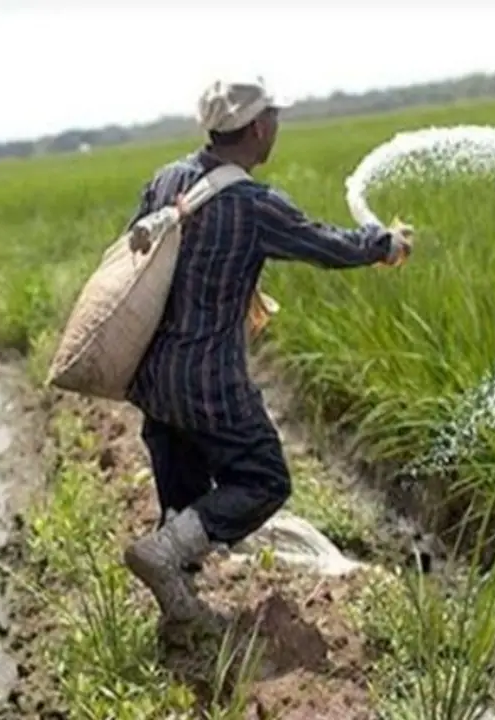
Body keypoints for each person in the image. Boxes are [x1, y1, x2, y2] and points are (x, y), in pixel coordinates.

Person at [120, 76, 412, 626]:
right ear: (257, 127)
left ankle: (179, 615)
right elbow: (325, 244)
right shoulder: (253, 204)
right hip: (209, 382)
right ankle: (163, 554)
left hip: (154, 379)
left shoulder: (167, 181)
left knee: (184, 501)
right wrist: (385, 243)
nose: (276, 125)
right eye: (273, 117)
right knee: (263, 480)